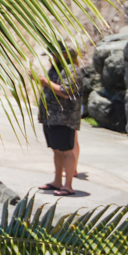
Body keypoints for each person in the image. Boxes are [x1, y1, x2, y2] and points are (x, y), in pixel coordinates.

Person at [38, 51, 84, 195]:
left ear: (63, 55)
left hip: (64, 118)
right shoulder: (55, 69)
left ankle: (68, 185)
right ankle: (57, 181)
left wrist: (46, 82)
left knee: (66, 151)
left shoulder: (71, 70)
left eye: (53, 55)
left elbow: (66, 91)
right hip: (51, 117)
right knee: (56, 150)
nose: (51, 58)